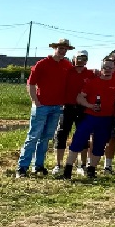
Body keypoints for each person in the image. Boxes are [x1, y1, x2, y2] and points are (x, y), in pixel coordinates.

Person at [15, 38, 75, 178]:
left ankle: (38, 165)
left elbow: (76, 76)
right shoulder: (42, 64)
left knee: (46, 137)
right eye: (60, 48)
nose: (62, 51)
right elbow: (30, 84)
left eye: (65, 49)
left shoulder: (67, 65)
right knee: (33, 136)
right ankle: (22, 167)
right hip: (41, 106)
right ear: (55, 48)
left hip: (56, 107)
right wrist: (35, 101)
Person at [62, 56, 115, 178]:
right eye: (105, 67)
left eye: (110, 67)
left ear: (114, 68)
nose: (108, 69)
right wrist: (90, 105)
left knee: (99, 145)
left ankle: (91, 170)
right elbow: (79, 97)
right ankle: (67, 170)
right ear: (101, 68)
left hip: (106, 118)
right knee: (78, 141)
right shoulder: (92, 81)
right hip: (90, 116)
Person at [51, 51, 90, 177]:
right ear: (74, 59)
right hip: (67, 107)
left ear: (87, 60)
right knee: (61, 134)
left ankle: (82, 165)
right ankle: (58, 165)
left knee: (83, 136)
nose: (81, 60)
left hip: (83, 108)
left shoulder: (91, 74)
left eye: (84, 58)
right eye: (78, 58)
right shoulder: (67, 71)